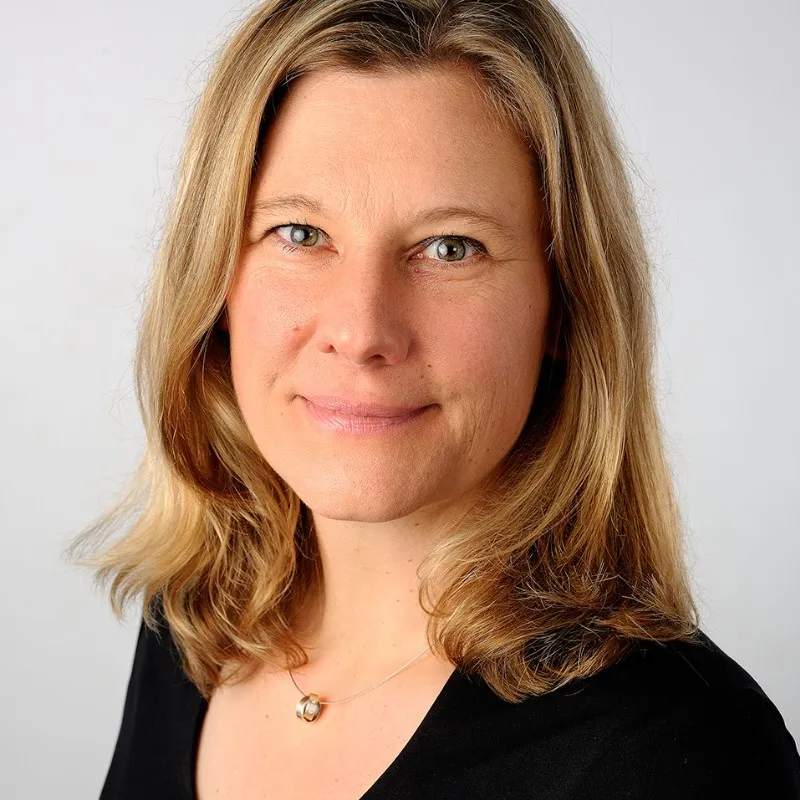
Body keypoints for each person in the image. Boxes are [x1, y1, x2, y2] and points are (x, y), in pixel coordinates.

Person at [65, 0, 800, 798]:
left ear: (565, 302)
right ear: (215, 281)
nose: (361, 329)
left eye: (450, 247)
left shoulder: (680, 752)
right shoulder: (195, 624)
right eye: (300, 234)